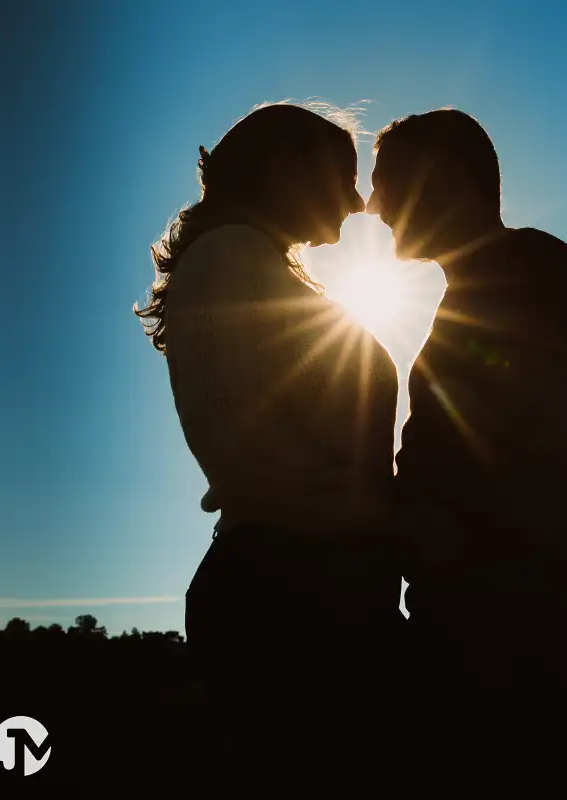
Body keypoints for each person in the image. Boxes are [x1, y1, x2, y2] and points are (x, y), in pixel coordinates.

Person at [365, 107, 567, 798]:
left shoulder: (532, 265)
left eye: (386, 184)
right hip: (479, 604)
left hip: (519, 608)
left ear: (442, 183)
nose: (372, 207)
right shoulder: (473, 285)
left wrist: (499, 533)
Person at [133, 102, 406, 797]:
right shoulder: (235, 260)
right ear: (286, 168)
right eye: (343, 178)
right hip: (300, 595)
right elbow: (277, 443)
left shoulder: (242, 261)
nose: (354, 202)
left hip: (299, 582)